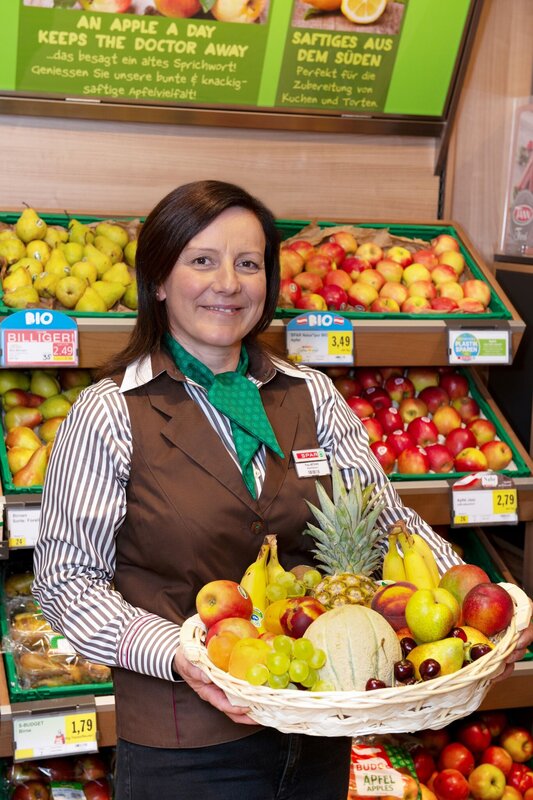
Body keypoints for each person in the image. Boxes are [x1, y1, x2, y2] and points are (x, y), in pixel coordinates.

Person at [33, 180, 533, 800]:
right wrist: (181, 652)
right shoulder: (108, 413)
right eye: (202, 261)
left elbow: (386, 520)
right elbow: (66, 584)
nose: (228, 283)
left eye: (248, 264)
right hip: (184, 751)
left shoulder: (311, 395)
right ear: (158, 280)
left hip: (318, 731)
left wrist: (477, 600)